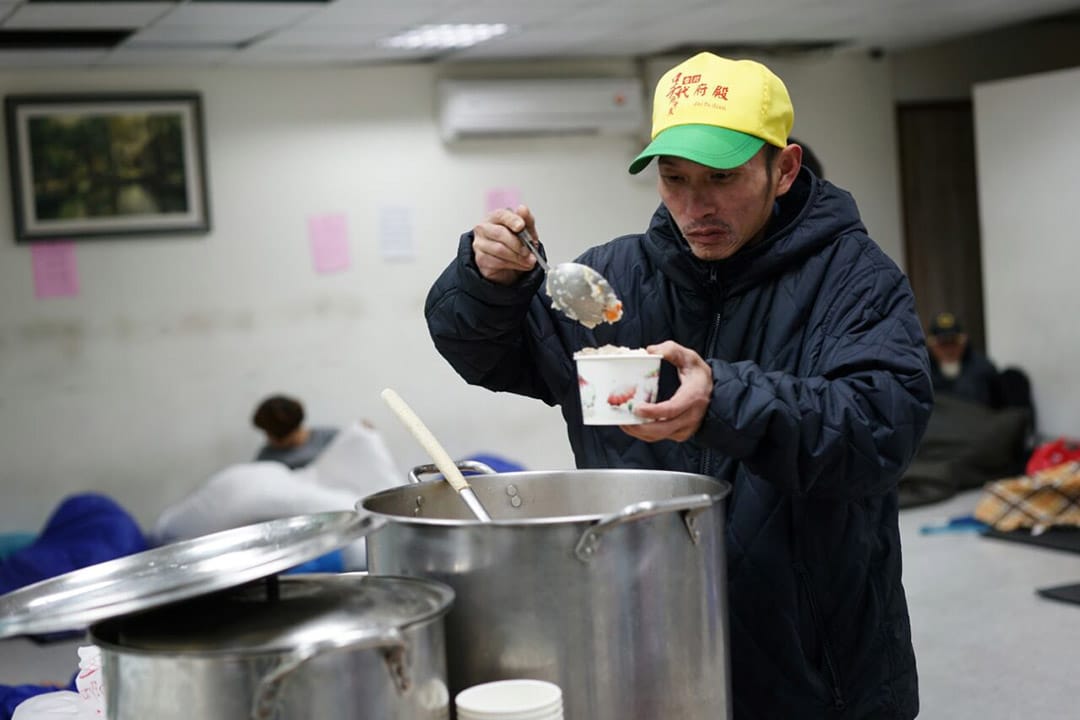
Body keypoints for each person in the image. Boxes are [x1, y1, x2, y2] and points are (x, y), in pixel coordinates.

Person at [425, 51, 932, 719]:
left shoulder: (855, 280)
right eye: (674, 178)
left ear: (783, 169)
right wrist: (487, 281)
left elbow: (877, 428)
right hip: (642, 636)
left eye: (722, 177)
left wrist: (722, 400)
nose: (697, 206)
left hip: (813, 663)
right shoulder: (614, 278)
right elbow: (488, 354)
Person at [926, 311, 998, 407]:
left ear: (964, 343)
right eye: (943, 344)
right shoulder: (923, 373)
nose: (949, 349)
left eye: (954, 342)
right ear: (932, 346)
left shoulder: (984, 369)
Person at [251, 394, 338, 469]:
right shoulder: (266, 458)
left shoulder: (332, 439)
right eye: (267, 433)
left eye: (273, 434)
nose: (269, 439)